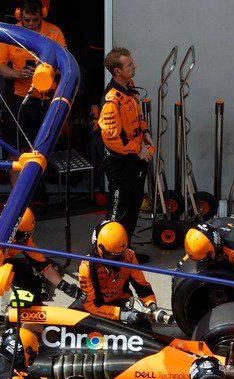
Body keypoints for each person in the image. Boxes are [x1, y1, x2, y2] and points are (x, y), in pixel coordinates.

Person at [0, 1, 67, 186]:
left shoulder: (54, 32)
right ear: (19, 15)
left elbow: (66, 64)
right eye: (27, 20)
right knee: (15, 148)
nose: (31, 24)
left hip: (45, 99)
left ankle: (36, 191)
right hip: (18, 98)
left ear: (42, 15)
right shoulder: (10, 33)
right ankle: (16, 198)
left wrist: (46, 71)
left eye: (35, 20)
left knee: (42, 148)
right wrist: (19, 74)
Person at [99, 47, 153, 260]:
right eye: (129, 64)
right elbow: (112, 138)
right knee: (118, 212)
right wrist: (137, 149)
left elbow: (136, 118)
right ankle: (107, 255)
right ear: (117, 71)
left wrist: (146, 132)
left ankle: (126, 253)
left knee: (133, 207)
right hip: (120, 163)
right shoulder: (112, 99)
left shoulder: (129, 87)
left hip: (136, 161)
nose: (134, 66)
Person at [78, 221, 172, 325]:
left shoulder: (129, 256)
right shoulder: (87, 268)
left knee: (143, 325)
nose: (117, 260)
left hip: (122, 300)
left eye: (120, 255)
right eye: (112, 256)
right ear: (99, 248)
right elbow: (91, 305)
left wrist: (150, 303)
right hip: (100, 308)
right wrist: (120, 314)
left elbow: (142, 286)